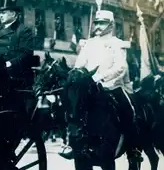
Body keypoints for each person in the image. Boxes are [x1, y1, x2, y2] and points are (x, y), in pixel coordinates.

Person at [59, 9, 137, 160]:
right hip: (89, 87)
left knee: (129, 110)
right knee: (74, 109)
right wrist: (77, 77)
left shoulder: (118, 44)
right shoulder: (89, 44)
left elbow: (121, 67)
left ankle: (132, 147)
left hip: (112, 85)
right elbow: (79, 65)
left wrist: (100, 77)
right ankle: (72, 143)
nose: (99, 26)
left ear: (111, 25)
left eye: (103, 23)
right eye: (97, 23)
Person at [0, 0, 36, 88]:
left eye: (4, 13)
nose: (0, 15)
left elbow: (26, 54)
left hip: (14, 74)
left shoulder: (23, 30)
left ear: (13, 14)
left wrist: (9, 63)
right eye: (0, 13)